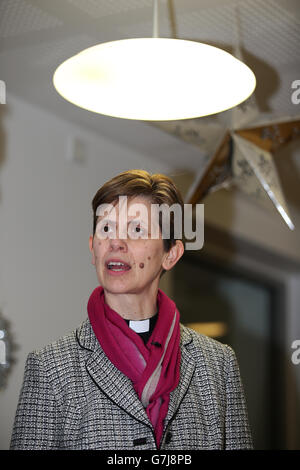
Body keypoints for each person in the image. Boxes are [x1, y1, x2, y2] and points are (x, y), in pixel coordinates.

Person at [10, 169, 253, 450]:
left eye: (136, 230)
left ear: (170, 254)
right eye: (106, 229)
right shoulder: (50, 368)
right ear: (93, 248)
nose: (116, 242)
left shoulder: (218, 365)